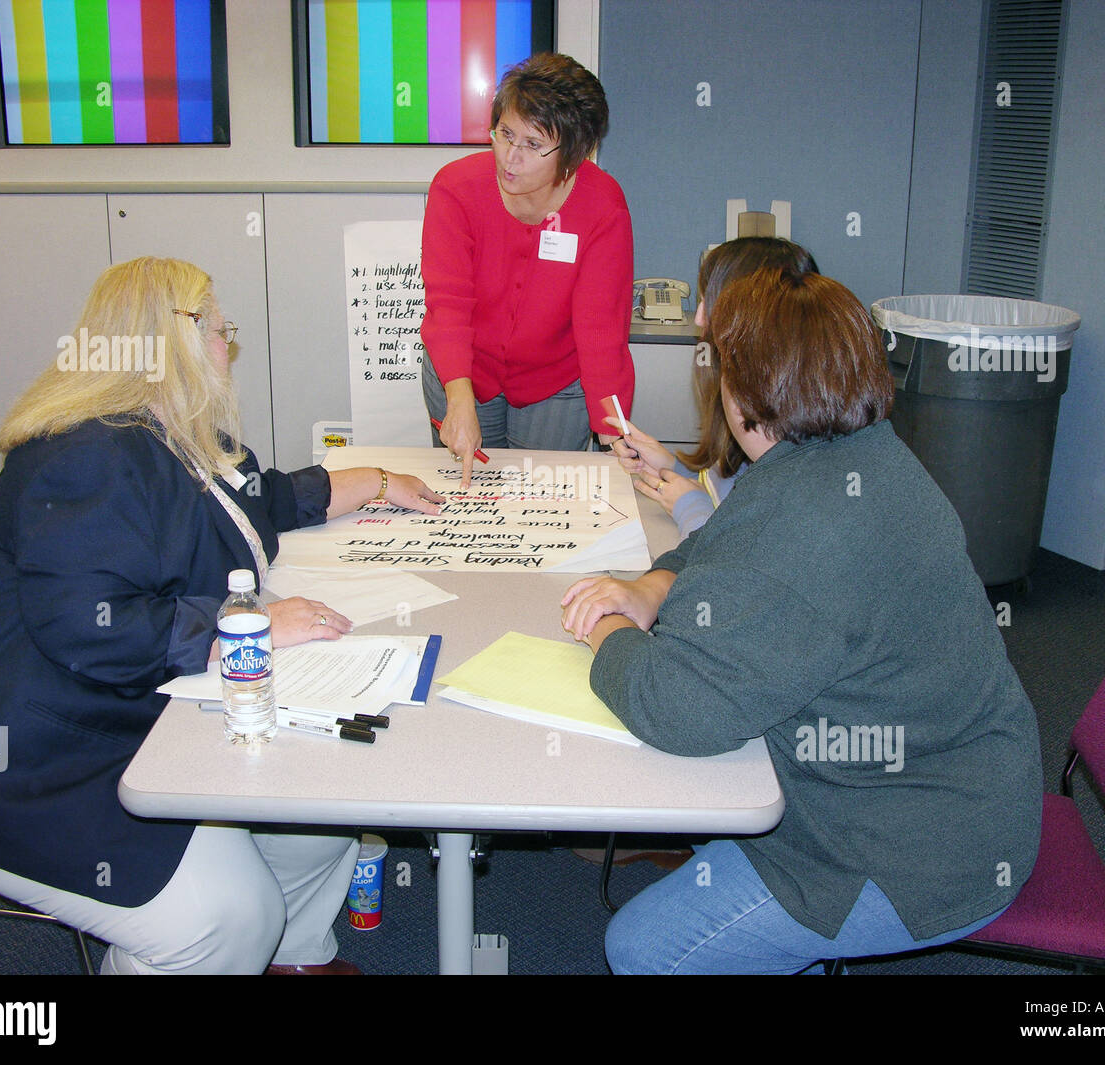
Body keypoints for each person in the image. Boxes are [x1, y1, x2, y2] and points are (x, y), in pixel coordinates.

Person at [0, 257, 444, 975]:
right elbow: (88, 626)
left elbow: (263, 500)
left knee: (319, 804)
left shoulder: (172, 436)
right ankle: (237, 947)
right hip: (13, 754)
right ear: (173, 340)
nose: (229, 345)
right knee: (226, 912)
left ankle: (289, 958)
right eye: (221, 330)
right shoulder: (89, 454)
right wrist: (246, 623)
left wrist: (377, 482)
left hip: (106, 710)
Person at [561, 269, 1042, 974]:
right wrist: (653, 587)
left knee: (643, 949)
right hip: (958, 774)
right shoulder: (849, 453)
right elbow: (726, 538)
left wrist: (608, 626)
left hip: (917, 847)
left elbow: (677, 708)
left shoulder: (809, 521)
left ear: (747, 387)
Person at [420, 52, 634, 487]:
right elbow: (448, 303)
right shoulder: (456, 189)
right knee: (472, 500)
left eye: (533, 145)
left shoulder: (602, 205)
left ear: (574, 151)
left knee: (547, 501)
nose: (510, 158)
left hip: (555, 382)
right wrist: (457, 398)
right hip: (463, 368)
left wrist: (616, 437)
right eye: (505, 134)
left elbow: (601, 329)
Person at [609, 237, 818, 537]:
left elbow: (742, 557)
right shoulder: (775, 392)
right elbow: (727, 492)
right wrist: (673, 468)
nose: (698, 318)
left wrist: (691, 508)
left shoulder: (786, 434)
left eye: (709, 301)